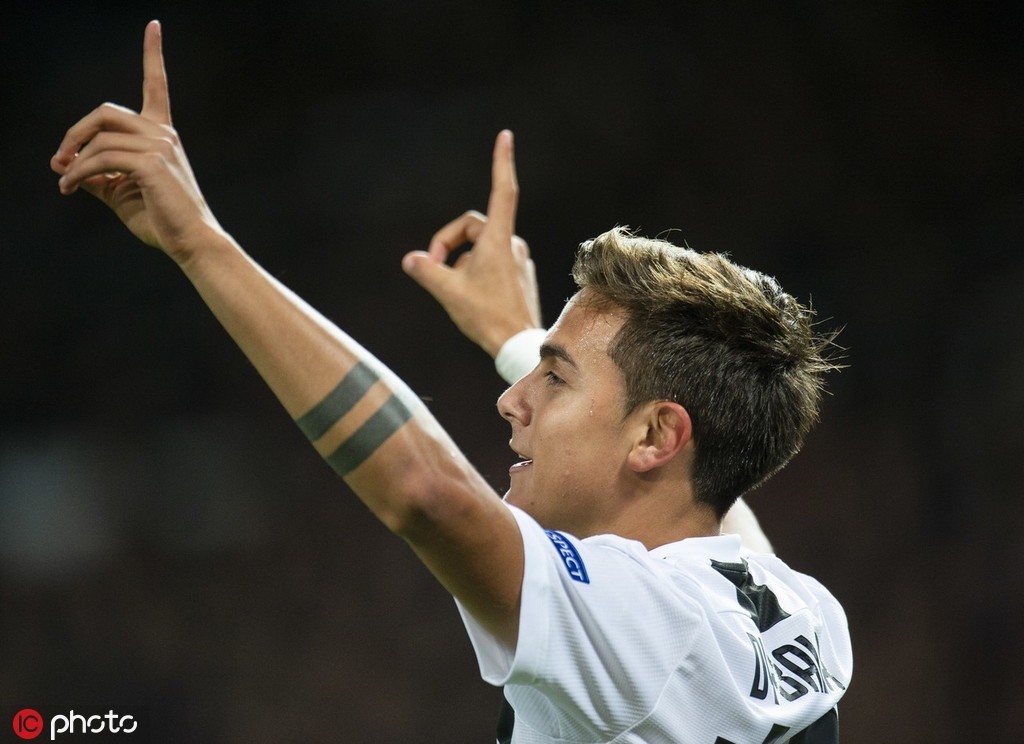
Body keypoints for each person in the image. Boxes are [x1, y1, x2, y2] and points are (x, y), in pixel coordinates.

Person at [51, 22, 852, 743]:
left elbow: (426, 491)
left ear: (654, 435)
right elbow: (714, 491)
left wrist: (200, 243)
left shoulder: (641, 624)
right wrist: (519, 340)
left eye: (555, 379)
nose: (512, 400)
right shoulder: (803, 613)